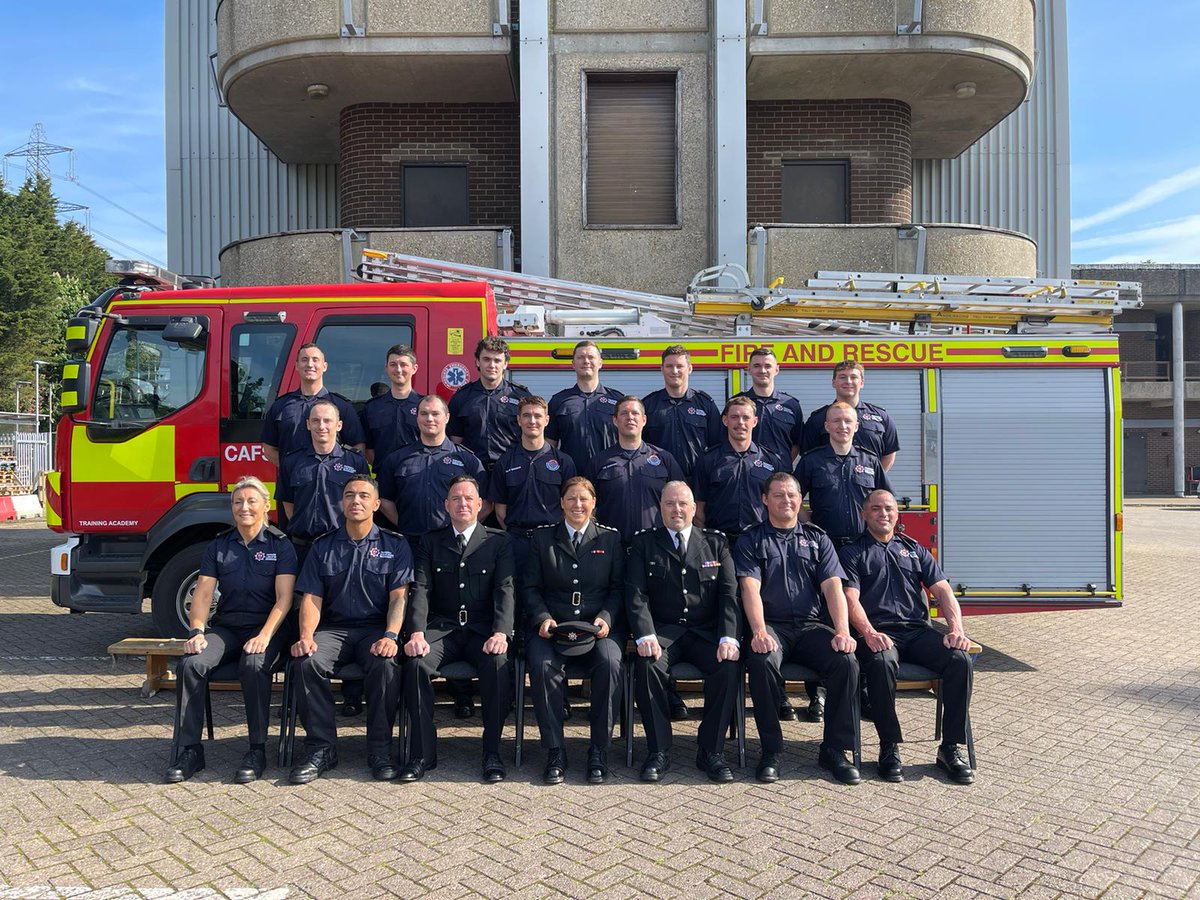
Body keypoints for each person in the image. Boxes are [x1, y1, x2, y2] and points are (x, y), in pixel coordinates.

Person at [164, 477, 297, 784]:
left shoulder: (281, 545)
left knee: (253, 665)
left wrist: (264, 636)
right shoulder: (219, 545)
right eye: (238, 502)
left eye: (252, 501)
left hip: (269, 629)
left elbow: (284, 598)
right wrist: (197, 631)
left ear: (266, 506)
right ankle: (190, 750)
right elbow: (203, 593)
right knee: (191, 664)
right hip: (228, 628)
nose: (244, 507)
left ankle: (256, 749)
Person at [734, 472, 862, 785]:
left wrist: (843, 631)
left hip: (810, 627)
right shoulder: (751, 539)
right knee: (762, 662)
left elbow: (833, 588)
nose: (786, 501)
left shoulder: (818, 538)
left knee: (846, 662)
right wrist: (759, 631)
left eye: (792, 495)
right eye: (778, 495)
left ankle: (834, 749)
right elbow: (749, 588)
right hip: (773, 627)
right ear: (765, 500)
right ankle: (771, 750)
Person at [840, 489, 976, 784]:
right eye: (875, 509)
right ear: (864, 514)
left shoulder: (915, 550)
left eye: (888, 508)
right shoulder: (852, 552)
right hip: (877, 633)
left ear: (897, 514)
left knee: (959, 660)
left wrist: (956, 630)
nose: (883, 513)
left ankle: (950, 748)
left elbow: (942, 591)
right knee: (880, 662)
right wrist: (868, 632)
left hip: (916, 632)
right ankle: (889, 747)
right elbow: (850, 599)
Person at [288, 476, 413, 784]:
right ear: (341, 503)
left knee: (386, 665)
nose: (355, 501)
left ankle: (380, 750)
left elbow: (399, 596)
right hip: (334, 630)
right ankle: (321, 749)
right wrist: (306, 637)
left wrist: (391, 635)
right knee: (307, 662)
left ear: (376, 504)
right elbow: (311, 598)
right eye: (349, 495)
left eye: (363, 496)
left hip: (375, 630)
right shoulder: (323, 547)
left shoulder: (395, 545)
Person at [399, 476, 515, 783]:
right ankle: (422, 754)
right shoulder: (430, 541)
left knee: (499, 664)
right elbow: (420, 588)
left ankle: (492, 752)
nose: (463, 503)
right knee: (414, 664)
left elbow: (505, 589)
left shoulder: (498, 542)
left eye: (469, 499)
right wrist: (417, 633)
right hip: (444, 630)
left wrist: (501, 632)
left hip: (482, 631)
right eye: (456, 499)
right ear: (446, 505)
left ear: (480, 505)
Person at [626, 482, 741, 783]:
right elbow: (636, 595)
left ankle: (711, 751)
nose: (676, 510)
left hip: (705, 633)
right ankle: (659, 750)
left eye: (682, 504)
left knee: (728, 666)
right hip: (664, 634)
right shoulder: (644, 544)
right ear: (660, 507)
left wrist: (728, 636)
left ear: (693, 508)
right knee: (647, 665)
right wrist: (645, 635)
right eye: (669, 504)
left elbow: (729, 594)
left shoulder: (716, 543)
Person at [524, 476, 625, 785]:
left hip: (598, 629)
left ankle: (599, 750)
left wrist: (607, 617)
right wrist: (542, 618)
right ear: (561, 503)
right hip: (553, 628)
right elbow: (529, 587)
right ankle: (556, 750)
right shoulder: (542, 539)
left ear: (594, 503)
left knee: (610, 663)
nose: (577, 504)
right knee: (542, 667)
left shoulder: (610, 539)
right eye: (571, 499)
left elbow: (619, 588)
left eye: (584, 499)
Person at [377, 395, 488, 543]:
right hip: (411, 542)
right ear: (417, 418)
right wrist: (403, 524)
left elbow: (486, 503)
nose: (429, 419)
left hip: (451, 544)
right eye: (424, 414)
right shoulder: (397, 458)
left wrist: (462, 528)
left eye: (435, 414)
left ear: (447, 417)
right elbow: (384, 499)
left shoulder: (467, 459)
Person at [489, 395, 577, 572]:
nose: (532, 421)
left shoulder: (563, 462)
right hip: (516, 543)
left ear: (547, 420)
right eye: (527, 415)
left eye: (537, 416)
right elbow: (500, 510)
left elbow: (571, 504)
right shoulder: (505, 462)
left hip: (553, 541)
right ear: (519, 420)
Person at [275, 400, 370, 557]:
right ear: (308, 424)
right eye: (315, 420)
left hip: (342, 549)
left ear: (338, 425)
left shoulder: (355, 461)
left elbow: (365, 503)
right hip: (302, 549)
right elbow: (288, 503)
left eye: (327, 420)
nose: (321, 426)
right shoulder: (291, 461)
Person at [584, 396, 684, 543]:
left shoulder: (664, 459)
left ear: (644, 420)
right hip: (611, 546)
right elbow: (587, 506)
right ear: (615, 420)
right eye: (624, 413)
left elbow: (682, 501)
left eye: (635, 413)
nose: (630, 417)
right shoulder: (599, 461)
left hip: (655, 547)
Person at [795, 402, 894, 547]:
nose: (842, 426)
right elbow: (793, 499)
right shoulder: (810, 461)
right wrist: (810, 526)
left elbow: (886, 501)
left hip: (864, 545)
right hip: (825, 545)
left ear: (856, 426)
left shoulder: (870, 461)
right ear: (827, 426)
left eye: (848, 421)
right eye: (836, 421)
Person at [693, 395, 786, 540]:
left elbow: (779, 503)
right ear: (725, 420)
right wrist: (706, 541)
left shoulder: (772, 460)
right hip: (720, 541)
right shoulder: (708, 460)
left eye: (746, 417)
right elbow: (699, 507)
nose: (740, 422)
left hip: (760, 540)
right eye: (734, 417)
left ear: (754, 421)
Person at [261, 343, 364, 465]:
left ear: (324, 366)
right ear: (297, 366)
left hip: (332, 481)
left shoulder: (341, 406)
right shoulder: (280, 406)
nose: (310, 364)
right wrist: (291, 469)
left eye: (315, 360)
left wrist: (338, 470)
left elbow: (358, 446)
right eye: (304, 360)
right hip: (292, 482)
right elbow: (269, 449)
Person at [641, 345, 723, 481]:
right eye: (669, 366)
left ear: (690, 368)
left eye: (680, 366)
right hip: (659, 480)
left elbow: (718, 446)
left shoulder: (705, 403)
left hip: (697, 482)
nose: (674, 371)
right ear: (661, 369)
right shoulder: (649, 405)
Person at [449, 337, 531, 471]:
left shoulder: (521, 396)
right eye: (486, 359)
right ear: (477, 362)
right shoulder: (461, 397)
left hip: (512, 470)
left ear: (505, 364)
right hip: (472, 471)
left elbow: (532, 435)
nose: (492, 365)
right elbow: (455, 441)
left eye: (497, 360)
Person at [800, 361, 899, 471]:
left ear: (861, 382)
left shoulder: (881, 417)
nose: (848, 381)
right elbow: (807, 456)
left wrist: (874, 479)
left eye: (853, 377)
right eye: (842, 377)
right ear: (833, 382)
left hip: (868, 486)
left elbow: (889, 453)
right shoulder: (817, 419)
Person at [546, 340, 624, 472]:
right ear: (573, 364)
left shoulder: (618, 400)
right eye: (580, 357)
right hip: (571, 477)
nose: (586, 361)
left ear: (600, 363)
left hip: (610, 476)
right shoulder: (558, 401)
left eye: (591, 357)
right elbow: (549, 445)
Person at [732, 347, 804, 465]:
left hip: (780, 476)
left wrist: (780, 465)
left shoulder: (791, 405)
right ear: (749, 369)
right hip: (747, 475)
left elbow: (796, 443)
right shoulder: (736, 403)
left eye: (768, 366)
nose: (763, 370)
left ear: (776, 369)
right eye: (757, 366)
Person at [359, 344, 423, 470]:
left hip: (417, 478)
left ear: (414, 368)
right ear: (386, 368)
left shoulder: (424, 406)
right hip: (383, 478)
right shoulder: (372, 408)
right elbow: (369, 448)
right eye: (393, 365)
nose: (398, 370)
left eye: (404, 365)